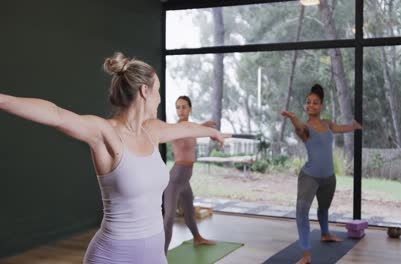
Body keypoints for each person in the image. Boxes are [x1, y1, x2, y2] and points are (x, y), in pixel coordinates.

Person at [0, 52, 228, 264]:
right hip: (112, 256)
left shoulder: (153, 131)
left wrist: (213, 133)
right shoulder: (105, 133)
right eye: (157, 90)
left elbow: (185, 128)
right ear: (144, 92)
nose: (159, 98)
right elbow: (57, 115)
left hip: (154, 255)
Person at [281, 84, 362, 264]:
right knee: (302, 211)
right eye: (308, 102)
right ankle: (306, 254)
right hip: (309, 176)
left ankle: (325, 234)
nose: (311, 105)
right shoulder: (305, 128)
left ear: (321, 105)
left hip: (329, 177)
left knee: (324, 208)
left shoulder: (326, 123)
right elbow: (300, 128)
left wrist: (354, 126)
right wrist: (293, 118)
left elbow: (339, 128)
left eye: (315, 103)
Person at [163, 95, 216, 253]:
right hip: (175, 179)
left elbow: (191, 131)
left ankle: (197, 238)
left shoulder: (191, 127)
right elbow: (184, 131)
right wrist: (203, 128)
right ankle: (161, 253)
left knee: (189, 212)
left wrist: (204, 126)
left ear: (190, 108)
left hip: (185, 180)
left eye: (184, 106)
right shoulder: (176, 128)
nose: (181, 110)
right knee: (169, 217)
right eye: (178, 107)